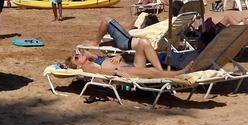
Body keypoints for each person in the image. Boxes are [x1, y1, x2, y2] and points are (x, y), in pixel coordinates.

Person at [64, 39, 193, 79]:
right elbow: (100, 72)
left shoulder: (93, 60)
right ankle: (179, 73)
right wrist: (116, 72)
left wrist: (119, 55)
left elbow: (94, 56)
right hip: (123, 70)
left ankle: (161, 71)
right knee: (150, 72)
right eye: (76, 58)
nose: (78, 55)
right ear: (78, 65)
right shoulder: (86, 67)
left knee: (143, 42)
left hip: (129, 64)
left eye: (77, 54)